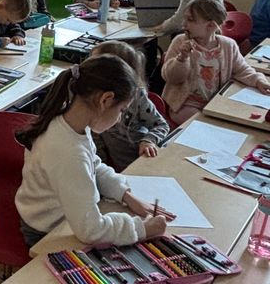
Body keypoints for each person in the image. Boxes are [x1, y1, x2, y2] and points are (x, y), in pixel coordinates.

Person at [15, 55, 168, 248]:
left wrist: (126, 195)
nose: (120, 118)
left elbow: (93, 165)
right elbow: (91, 230)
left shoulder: (69, 122)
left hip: (66, 218)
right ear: (106, 99)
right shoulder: (69, 152)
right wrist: (142, 229)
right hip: (48, 232)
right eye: (121, 110)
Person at [161, 0, 270, 124]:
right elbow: (172, 77)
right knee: (203, 125)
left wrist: (258, 81)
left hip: (215, 101)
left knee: (232, 122)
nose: (184, 24)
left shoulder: (228, 45)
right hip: (185, 105)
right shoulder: (180, 41)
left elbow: (242, 69)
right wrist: (182, 58)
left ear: (211, 25)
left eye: (190, 20)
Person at [89, 41, 170, 169]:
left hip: (148, 160)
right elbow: (95, 143)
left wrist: (148, 140)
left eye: (95, 65)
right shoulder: (93, 99)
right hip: (119, 169)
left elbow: (161, 125)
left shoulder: (137, 97)